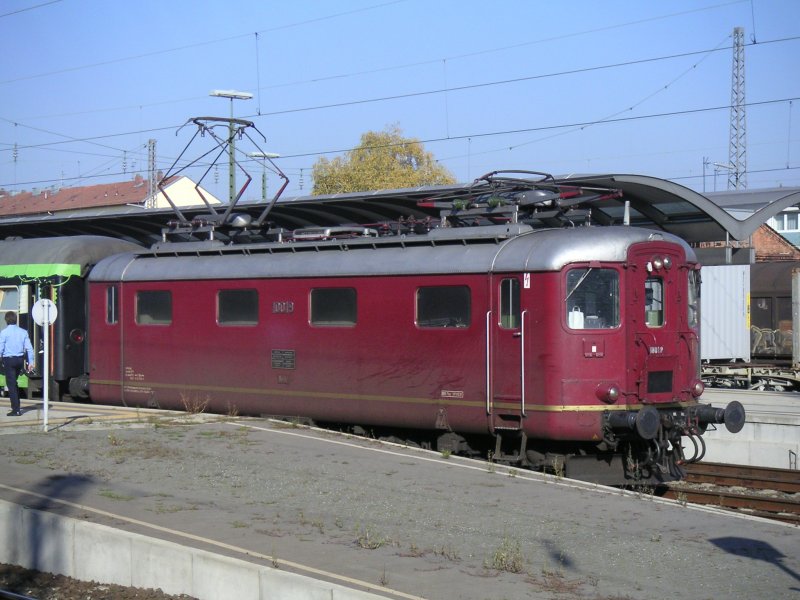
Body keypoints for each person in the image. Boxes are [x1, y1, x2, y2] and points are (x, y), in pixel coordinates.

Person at [0, 311, 34, 417]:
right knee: (14, 383)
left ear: (6, 320)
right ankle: (17, 406)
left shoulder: (4, 333)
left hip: (8, 360)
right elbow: (29, 348)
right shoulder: (23, 332)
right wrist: (31, 362)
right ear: (16, 319)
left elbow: (0, 348)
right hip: (20, 360)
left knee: (11, 385)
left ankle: (16, 409)